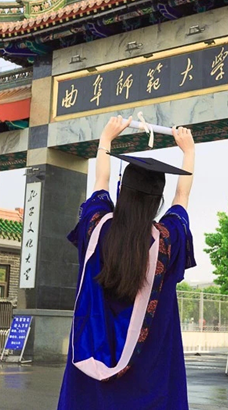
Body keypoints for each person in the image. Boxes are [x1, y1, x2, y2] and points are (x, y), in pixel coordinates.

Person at [57, 115, 196, 410]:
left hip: (93, 378)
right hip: (148, 379)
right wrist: (189, 152)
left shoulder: (97, 228)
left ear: (122, 190)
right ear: (157, 201)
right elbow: (182, 198)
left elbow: (100, 183)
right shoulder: (166, 241)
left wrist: (106, 140)